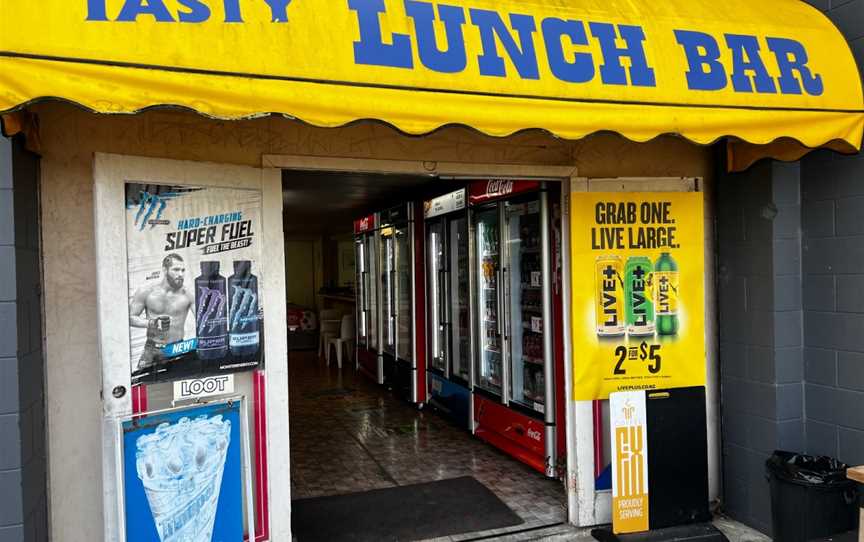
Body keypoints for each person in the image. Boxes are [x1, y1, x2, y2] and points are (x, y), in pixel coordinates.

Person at [129, 253, 194, 372]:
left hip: (177, 348)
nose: (180, 274)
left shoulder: (189, 294)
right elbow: (130, 317)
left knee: (178, 384)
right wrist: (151, 323)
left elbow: (203, 320)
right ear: (165, 270)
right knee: (140, 384)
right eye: (176, 270)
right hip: (152, 348)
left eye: (183, 270)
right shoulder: (146, 291)